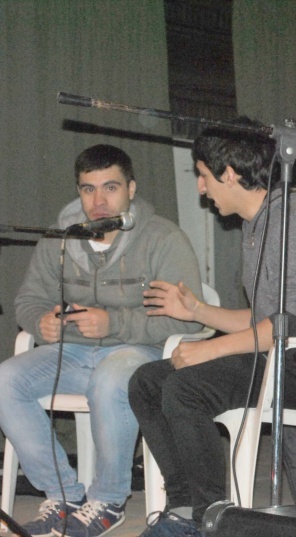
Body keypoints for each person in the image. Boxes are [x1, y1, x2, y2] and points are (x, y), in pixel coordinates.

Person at [129, 118, 296, 536]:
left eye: (203, 175)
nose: (201, 188)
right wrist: (196, 312)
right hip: (280, 356)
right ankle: (183, 503)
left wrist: (211, 349)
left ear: (229, 175)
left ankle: (209, 520)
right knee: (146, 381)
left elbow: (291, 325)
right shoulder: (257, 224)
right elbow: (261, 318)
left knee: (184, 387)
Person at [0, 144, 203, 537]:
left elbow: (188, 321)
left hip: (139, 352)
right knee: (5, 380)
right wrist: (40, 322)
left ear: (131, 188)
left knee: (112, 378)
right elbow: (27, 301)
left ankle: (109, 500)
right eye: (88, 189)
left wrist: (114, 323)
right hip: (74, 352)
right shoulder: (59, 238)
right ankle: (63, 495)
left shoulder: (163, 238)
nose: (98, 201)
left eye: (110, 188)